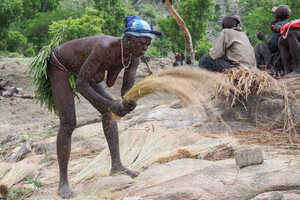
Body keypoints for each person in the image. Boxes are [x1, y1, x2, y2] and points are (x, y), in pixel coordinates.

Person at [47, 16, 161, 198]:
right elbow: (81, 84)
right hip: (61, 64)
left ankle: (116, 165)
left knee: (110, 114)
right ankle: (63, 182)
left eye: (148, 44)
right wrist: (111, 105)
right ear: (129, 39)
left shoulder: (134, 57)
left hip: (88, 71)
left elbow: (126, 89)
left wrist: (129, 102)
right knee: (68, 122)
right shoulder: (105, 48)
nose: (146, 47)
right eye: (143, 43)